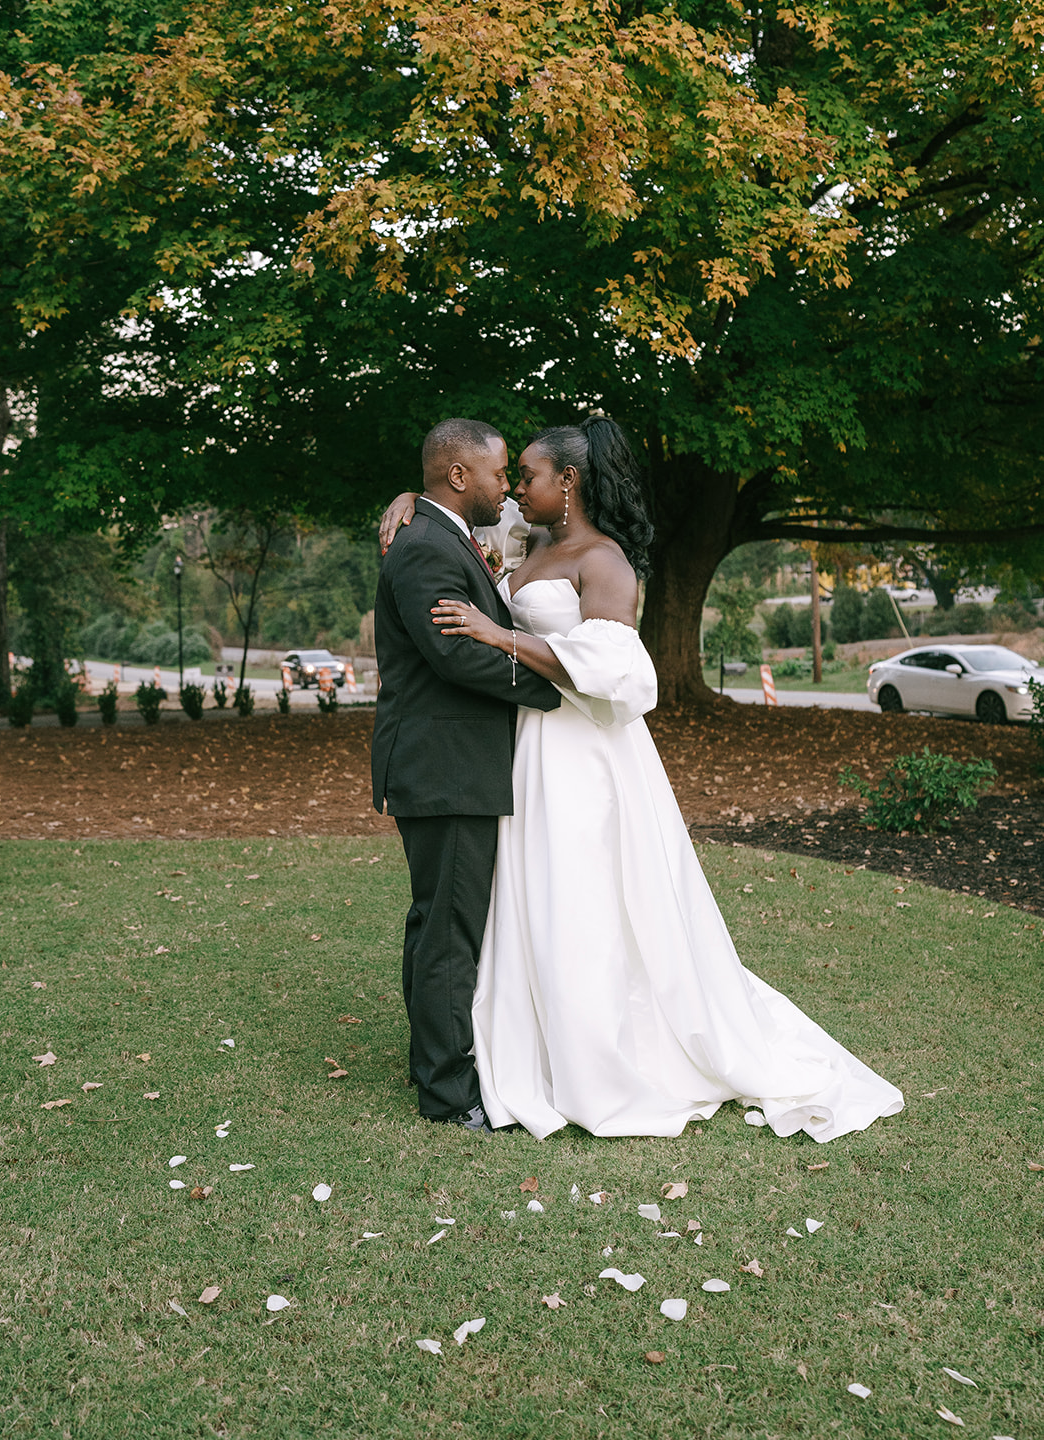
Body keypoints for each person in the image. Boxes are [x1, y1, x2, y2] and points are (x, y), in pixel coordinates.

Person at [386, 415, 904, 1141]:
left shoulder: (604, 560)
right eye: (510, 477)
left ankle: (601, 1056)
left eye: (526, 477)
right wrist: (408, 500)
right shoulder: (525, 542)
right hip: (524, 750)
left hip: (580, 750)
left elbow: (620, 671)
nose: (514, 491)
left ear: (567, 482)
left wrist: (505, 634)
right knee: (526, 898)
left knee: (587, 898)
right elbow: (453, 501)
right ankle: (525, 1047)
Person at [371, 418, 561, 1131]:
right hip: (442, 765)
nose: (506, 486)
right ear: (458, 476)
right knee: (446, 929)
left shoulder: (440, 534)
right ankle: (448, 1096)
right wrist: (560, 685)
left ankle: (440, 1062)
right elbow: (455, 655)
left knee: (438, 925)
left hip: (453, 763)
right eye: (496, 473)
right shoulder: (424, 546)